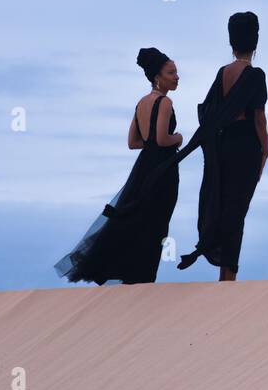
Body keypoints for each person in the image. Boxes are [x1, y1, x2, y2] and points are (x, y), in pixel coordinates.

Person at [55, 48, 182, 285]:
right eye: (171, 72)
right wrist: (179, 138)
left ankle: (131, 276)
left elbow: (133, 142)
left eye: (176, 72)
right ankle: (144, 279)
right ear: (157, 76)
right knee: (155, 225)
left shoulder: (141, 103)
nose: (177, 76)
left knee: (137, 219)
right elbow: (164, 139)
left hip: (143, 168)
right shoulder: (164, 102)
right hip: (162, 169)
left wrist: (151, 143)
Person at [178, 12, 268, 281]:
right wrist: (265, 149)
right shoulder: (255, 75)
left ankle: (226, 273)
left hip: (223, 145)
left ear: (232, 42)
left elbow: (209, 111)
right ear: (256, 41)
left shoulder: (222, 73)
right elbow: (259, 119)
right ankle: (228, 275)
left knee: (224, 204)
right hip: (245, 146)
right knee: (237, 209)